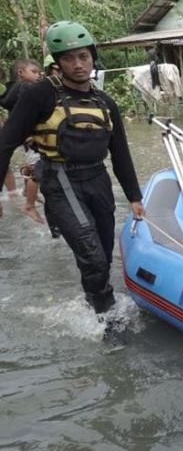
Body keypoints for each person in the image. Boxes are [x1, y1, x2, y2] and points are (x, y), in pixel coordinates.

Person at [0, 20, 144, 314]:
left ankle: (96, 302)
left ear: (93, 57)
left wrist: (134, 196)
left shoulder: (104, 101)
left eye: (83, 56)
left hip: (98, 178)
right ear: (58, 62)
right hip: (60, 178)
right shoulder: (40, 93)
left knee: (103, 254)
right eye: (68, 58)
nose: (78, 64)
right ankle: (109, 320)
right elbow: (6, 142)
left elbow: (120, 152)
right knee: (91, 255)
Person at [0, 59, 43, 222]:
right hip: (32, 137)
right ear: (21, 73)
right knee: (37, 169)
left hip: (23, 136)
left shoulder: (11, 92)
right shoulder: (27, 88)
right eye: (34, 72)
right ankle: (29, 204)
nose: (38, 75)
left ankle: (20, 191)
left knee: (30, 165)